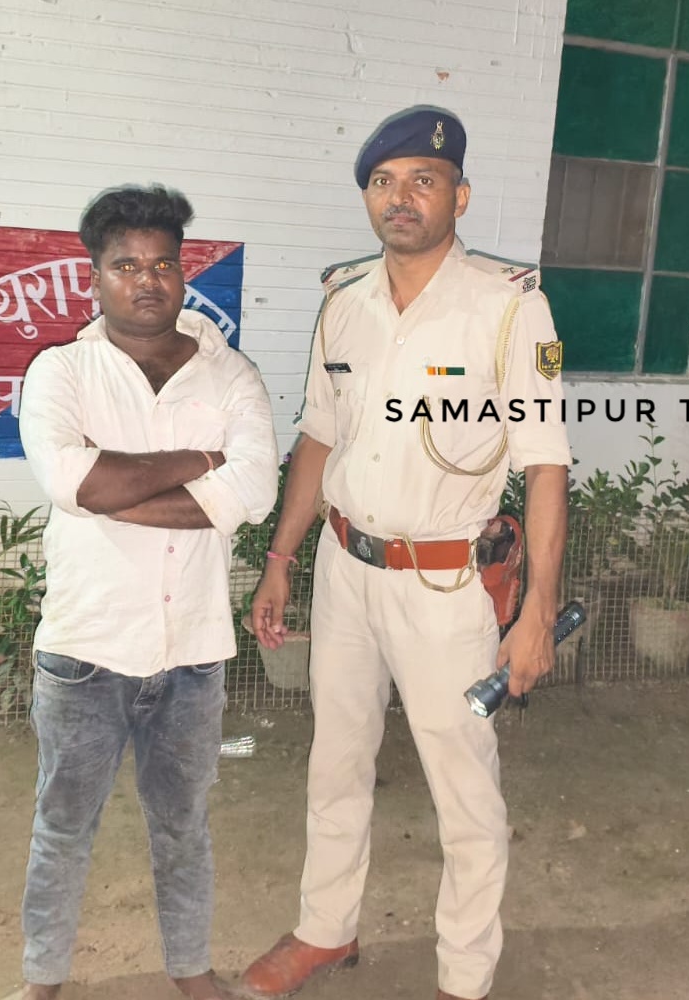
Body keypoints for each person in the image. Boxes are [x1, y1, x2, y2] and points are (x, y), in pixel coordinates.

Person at [238, 106, 574, 1000]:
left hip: (446, 585)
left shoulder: (510, 307)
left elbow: (545, 465)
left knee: (462, 784)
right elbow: (319, 438)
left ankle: (464, 977)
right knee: (336, 758)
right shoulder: (342, 302)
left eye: (423, 181)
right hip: (345, 570)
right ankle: (325, 929)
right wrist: (281, 559)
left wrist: (537, 612)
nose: (401, 198)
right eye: (383, 182)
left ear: (458, 196)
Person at [11, 183, 279, 1000]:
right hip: (85, 651)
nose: (147, 280)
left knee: (184, 828)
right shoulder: (61, 371)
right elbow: (72, 481)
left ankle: (191, 971)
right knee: (63, 827)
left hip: (193, 655)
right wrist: (200, 464)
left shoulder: (230, 375)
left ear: (183, 272)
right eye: (126, 265)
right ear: (95, 276)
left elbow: (255, 490)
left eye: (163, 264)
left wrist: (116, 488)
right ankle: (43, 979)